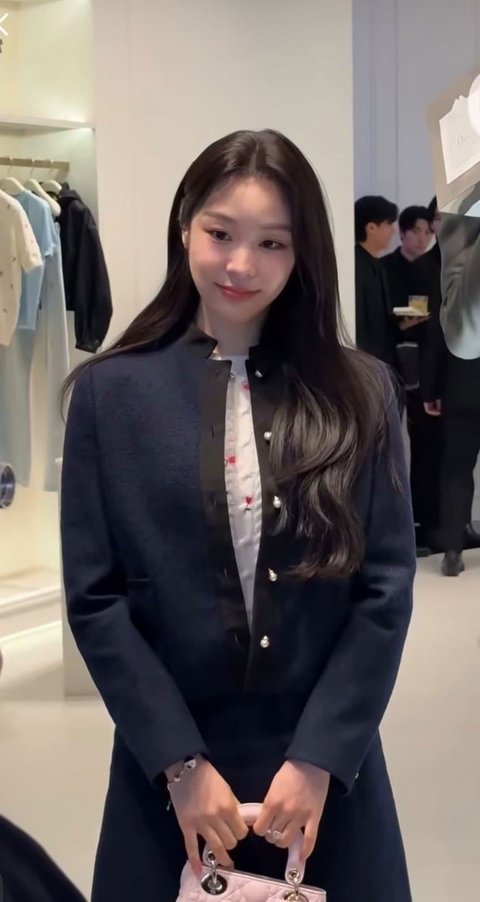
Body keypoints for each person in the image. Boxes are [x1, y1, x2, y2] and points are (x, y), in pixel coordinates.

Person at [60, 129, 416, 902]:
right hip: (168, 769)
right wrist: (180, 766)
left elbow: (385, 590)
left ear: (303, 254)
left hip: (327, 771)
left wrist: (320, 759)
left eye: (272, 243)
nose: (241, 265)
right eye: (221, 234)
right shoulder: (109, 397)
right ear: (184, 225)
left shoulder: (362, 393)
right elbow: (96, 598)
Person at [382, 205, 442, 554]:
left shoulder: (434, 267)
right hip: (393, 360)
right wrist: (404, 320)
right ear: (402, 232)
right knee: (388, 443)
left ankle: (428, 522)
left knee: (426, 444)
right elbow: (386, 317)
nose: (422, 238)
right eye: (416, 231)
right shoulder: (385, 268)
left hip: (424, 365)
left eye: (427, 232)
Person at [354, 195, 398, 366]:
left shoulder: (377, 264)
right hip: (365, 361)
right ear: (371, 228)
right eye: (389, 224)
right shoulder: (356, 266)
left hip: (380, 359)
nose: (393, 231)